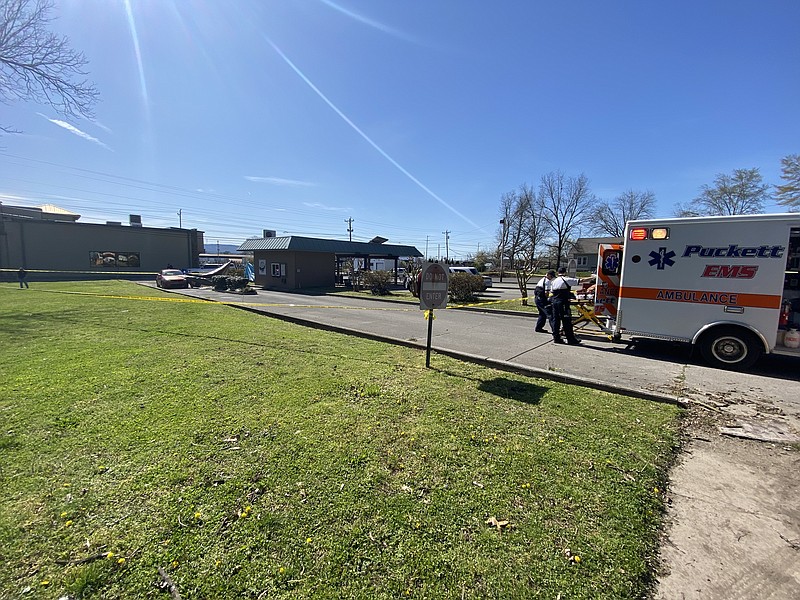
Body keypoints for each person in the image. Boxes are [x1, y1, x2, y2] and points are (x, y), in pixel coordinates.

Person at [549, 267, 584, 345]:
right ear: (565, 272)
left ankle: (556, 338)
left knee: (556, 320)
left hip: (554, 302)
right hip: (563, 303)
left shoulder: (554, 281)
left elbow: (552, 291)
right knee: (567, 321)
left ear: (558, 273)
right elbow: (580, 281)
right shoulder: (566, 279)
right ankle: (571, 339)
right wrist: (594, 278)